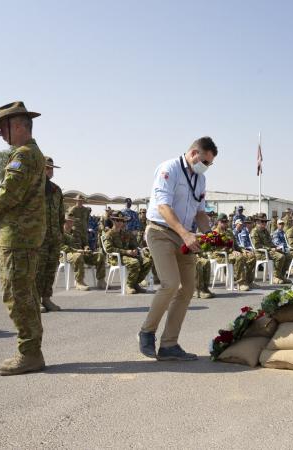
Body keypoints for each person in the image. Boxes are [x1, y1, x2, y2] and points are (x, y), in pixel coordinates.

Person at [0, 101, 47, 376]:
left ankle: (29, 354)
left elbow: (10, 194)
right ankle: (31, 350)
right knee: (25, 293)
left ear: (18, 125)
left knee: (17, 295)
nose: (0, 134)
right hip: (21, 236)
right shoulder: (30, 153)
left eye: (2, 128)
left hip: (17, 236)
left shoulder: (24, 155)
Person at [139, 136, 217, 361]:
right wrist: (185, 233)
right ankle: (146, 332)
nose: (207, 166)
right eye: (205, 161)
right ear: (194, 153)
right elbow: (163, 206)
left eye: (210, 164)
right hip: (161, 231)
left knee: (188, 288)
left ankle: (169, 344)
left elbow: (200, 212)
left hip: (186, 237)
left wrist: (211, 235)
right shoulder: (169, 169)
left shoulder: (200, 179)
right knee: (171, 283)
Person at [35, 156, 65, 313]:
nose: (49, 171)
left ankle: (46, 298)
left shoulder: (56, 189)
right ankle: (35, 299)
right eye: (46, 168)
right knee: (38, 269)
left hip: (54, 236)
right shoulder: (33, 187)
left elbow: (61, 215)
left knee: (50, 268)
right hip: (39, 237)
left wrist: (61, 233)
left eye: (51, 168)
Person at [102, 213, 151, 295]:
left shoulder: (126, 233)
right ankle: (129, 285)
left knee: (148, 261)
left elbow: (134, 244)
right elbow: (109, 249)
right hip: (116, 258)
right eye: (118, 220)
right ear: (113, 221)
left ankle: (135, 283)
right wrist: (126, 252)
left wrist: (135, 250)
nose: (120, 222)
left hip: (128, 256)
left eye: (122, 220)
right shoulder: (109, 234)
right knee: (134, 263)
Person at [61, 214, 106, 291]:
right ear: (63, 222)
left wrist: (86, 248)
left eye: (71, 222)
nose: (70, 223)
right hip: (67, 254)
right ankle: (79, 282)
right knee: (78, 256)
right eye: (68, 221)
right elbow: (61, 246)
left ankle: (101, 280)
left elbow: (85, 243)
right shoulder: (60, 233)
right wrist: (76, 251)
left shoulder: (77, 232)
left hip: (82, 253)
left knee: (100, 255)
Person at [213, 213, 256, 291]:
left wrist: (243, 250)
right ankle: (240, 283)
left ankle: (248, 281)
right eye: (223, 222)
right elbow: (217, 249)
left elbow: (235, 245)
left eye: (226, 221)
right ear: (218, 222)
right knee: (239, 257)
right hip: (221, 256)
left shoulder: (229, 232)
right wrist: (231, 251)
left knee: (251, 256)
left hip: (232, 253)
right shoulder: (215, 233)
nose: (225, 223)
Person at [251, 215, 291, 284]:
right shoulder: (254, 231)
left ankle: (281, 276)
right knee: (280, 257)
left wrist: (276, 247)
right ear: (257, 222)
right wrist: (270, 249)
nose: (264, 223)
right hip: (261, 253)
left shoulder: (265, 231)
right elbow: (257, 246)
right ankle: (275, 276)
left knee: (288, 256)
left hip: (269, 251)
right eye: (262, 222)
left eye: (265, 222)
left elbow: (270, 242)